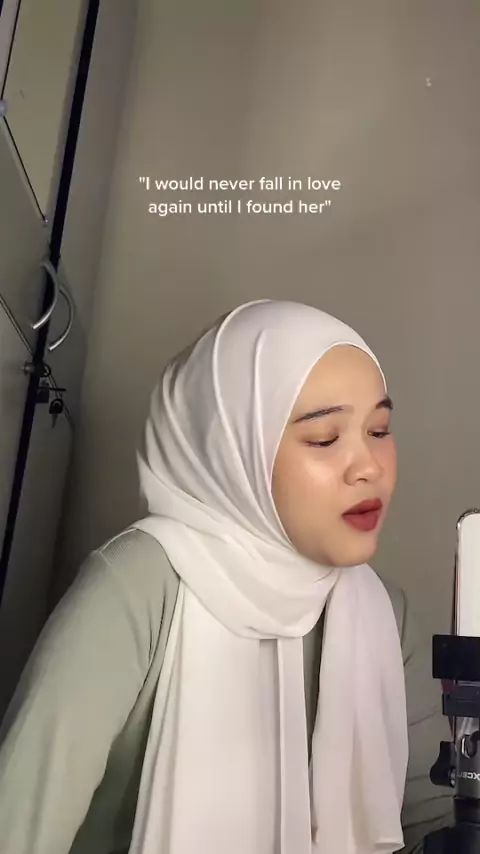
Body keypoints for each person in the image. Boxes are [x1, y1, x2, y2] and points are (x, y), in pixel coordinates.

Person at [0, 299, 452, 854]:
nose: (370, 467)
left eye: (379, 430)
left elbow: (432, 819)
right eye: (324, 438)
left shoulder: (384, 613)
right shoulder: (138, 587)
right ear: (233, 448)